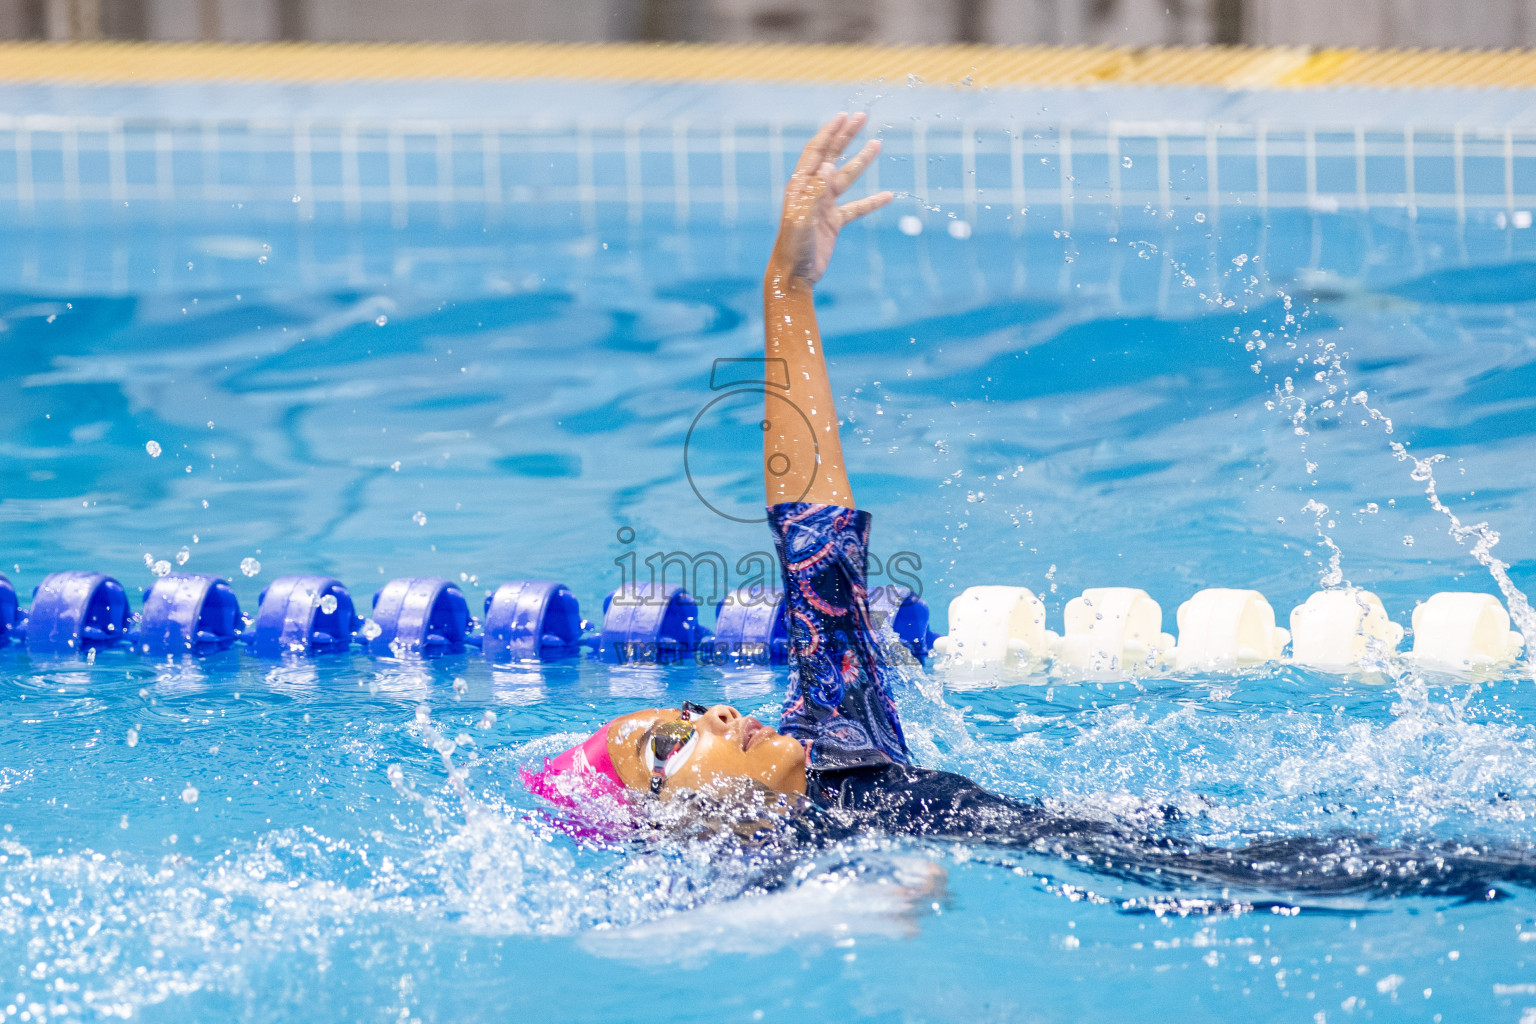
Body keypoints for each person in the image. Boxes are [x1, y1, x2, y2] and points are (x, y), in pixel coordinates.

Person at [524, 113, 1536, 904]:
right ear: (662, 830)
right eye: (669, 743)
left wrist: (786, 287)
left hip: (1187, 852)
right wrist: (866, 906)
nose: (711, 711)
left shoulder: (842, 741)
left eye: (688, 709)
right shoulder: (759, 880)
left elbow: (810, 534)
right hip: (1202, 895)